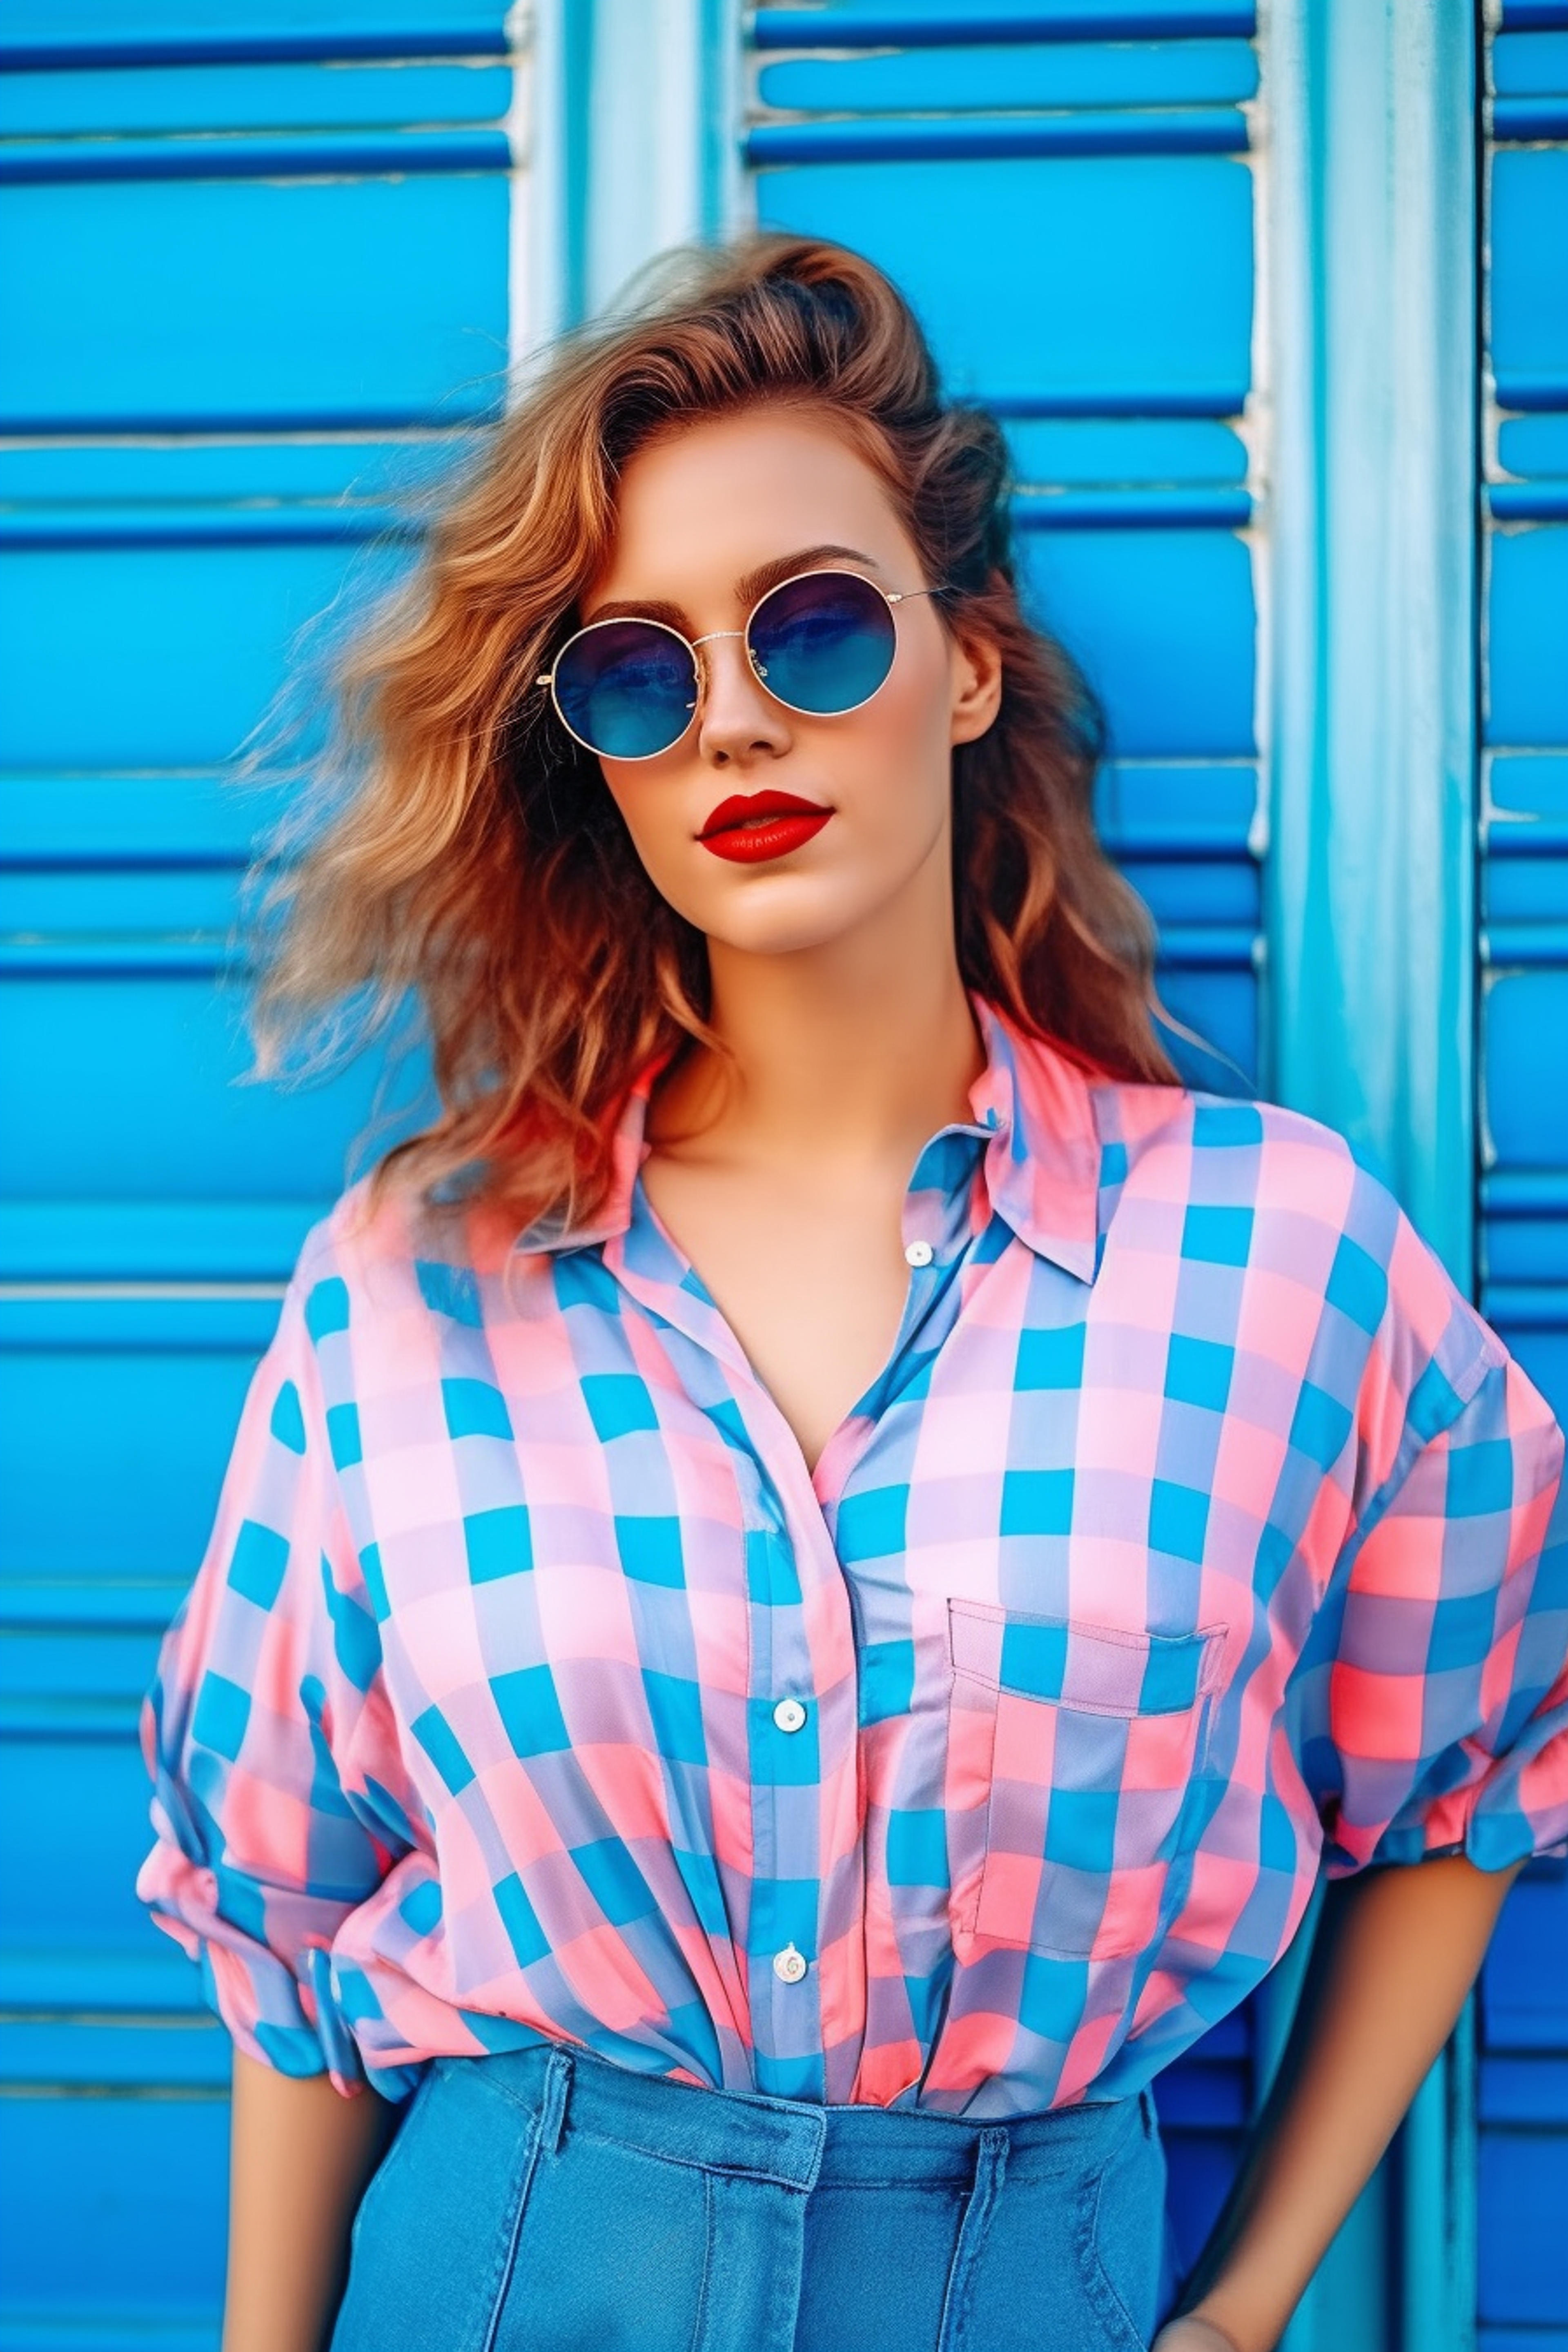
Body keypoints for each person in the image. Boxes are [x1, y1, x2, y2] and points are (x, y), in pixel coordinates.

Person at [134, 235, 1568, 2352]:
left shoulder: (1278, 1261)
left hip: (1033, 2277)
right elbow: (285, 1906)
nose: (732, 720)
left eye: (811, 628)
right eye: (640, 670)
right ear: (595, 760)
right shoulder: (409, 1293)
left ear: (965, 663)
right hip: (510, 2274)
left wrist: (1249, 2300)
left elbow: (1472, 1765)